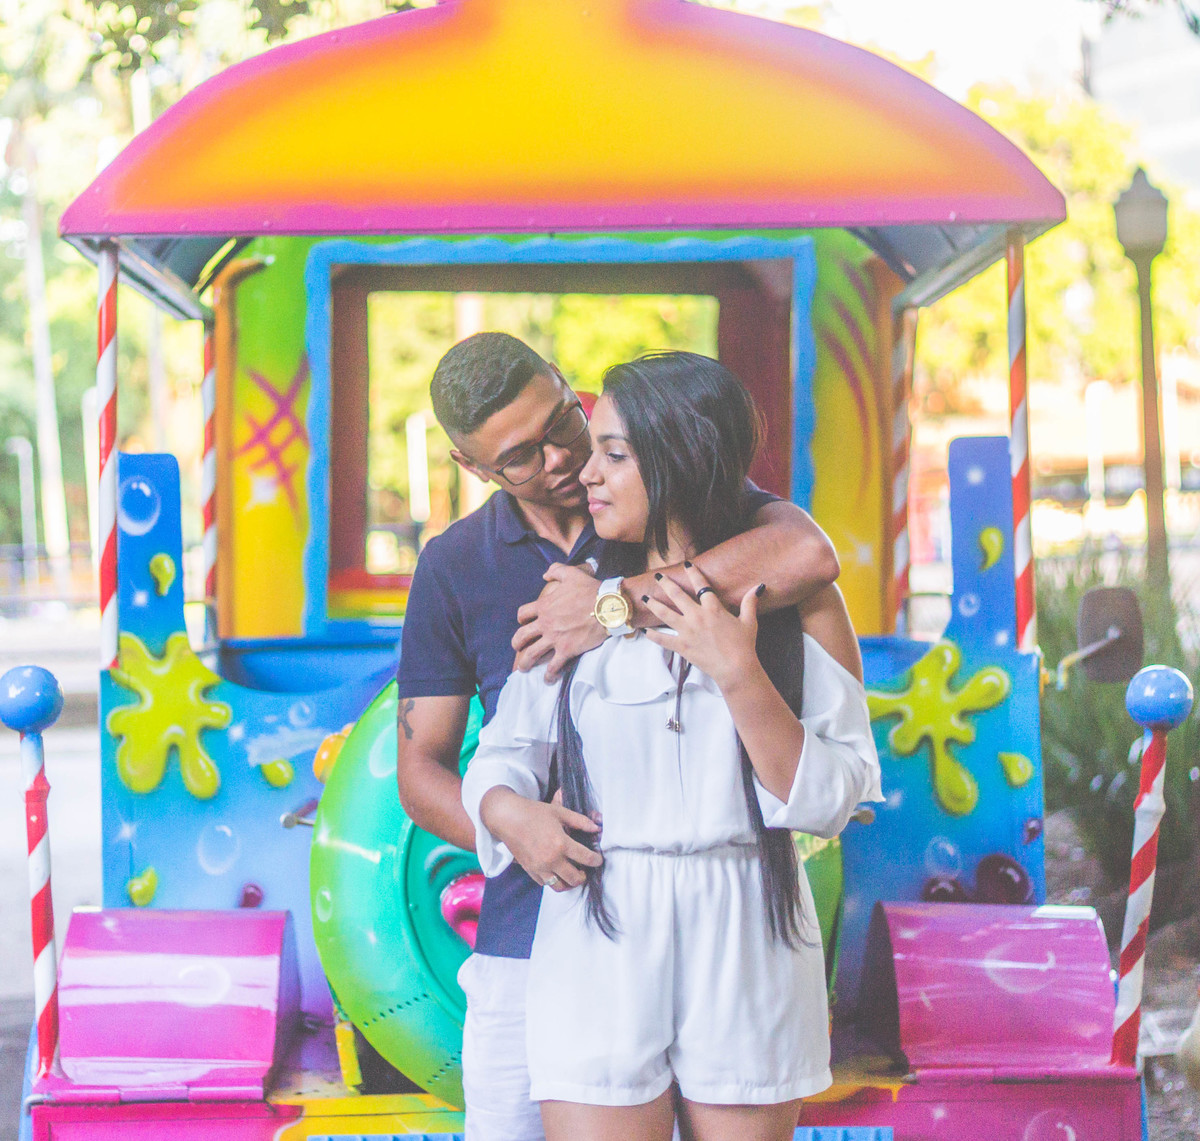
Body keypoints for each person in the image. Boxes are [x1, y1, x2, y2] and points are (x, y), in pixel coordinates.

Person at [395, 332, 842, 1141]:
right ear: (477, 470)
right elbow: (430, 763)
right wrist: (520, 826)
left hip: (730, 914)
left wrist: (611, 604)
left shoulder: (697, 524)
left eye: (569, 426)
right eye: (522, 457)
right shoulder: (457, 564)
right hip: (543, 919)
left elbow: (808, 553)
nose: (566, 464)